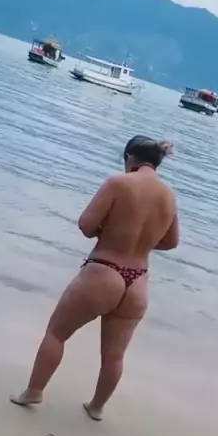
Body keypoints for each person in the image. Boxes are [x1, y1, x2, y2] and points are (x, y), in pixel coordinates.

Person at [11, 135, 179, 420]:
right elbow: (171, 242)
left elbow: (86, 225)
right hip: (138, 281)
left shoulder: (118, 183)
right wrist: (142, 241)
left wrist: (109, 232)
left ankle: (34, 391)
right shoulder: (169, 196)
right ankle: (97, 407)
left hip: (104, 270)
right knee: (114, 355)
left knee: (57, 334)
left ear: (130, 158)